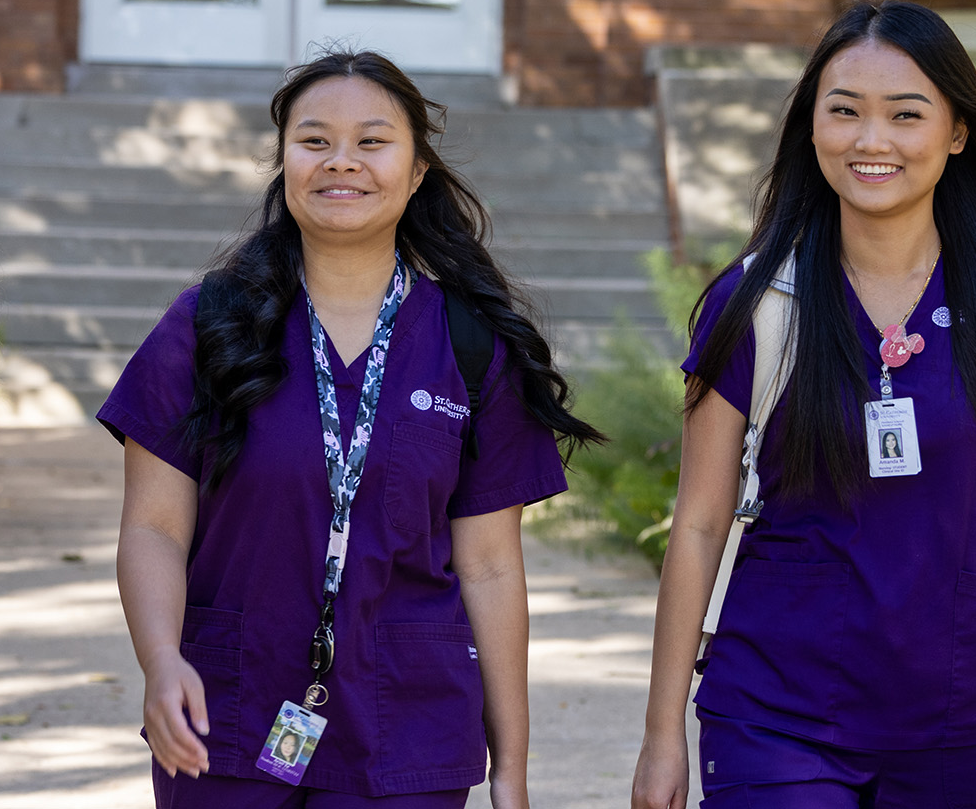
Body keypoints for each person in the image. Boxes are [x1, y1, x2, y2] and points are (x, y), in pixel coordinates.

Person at [628, 0, 976, 809]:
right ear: (813, 127)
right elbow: (700, 524)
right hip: (775, 714)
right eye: (844, 111)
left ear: (956, 132)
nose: (870, 140)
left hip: (960, 720)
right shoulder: (756, 304)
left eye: (905, 115)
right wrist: (662, 729)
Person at [100, 50, 604, 809]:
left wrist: (513, 765)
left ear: (417, 170)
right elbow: (154, 529)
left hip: (410, 730)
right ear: (283, 162)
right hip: (225, 715)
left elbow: (493, 568)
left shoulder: (469, 346)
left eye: (373, 141)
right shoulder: (207, 325)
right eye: (314, 140)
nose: (343, 162)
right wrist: (161, 660)